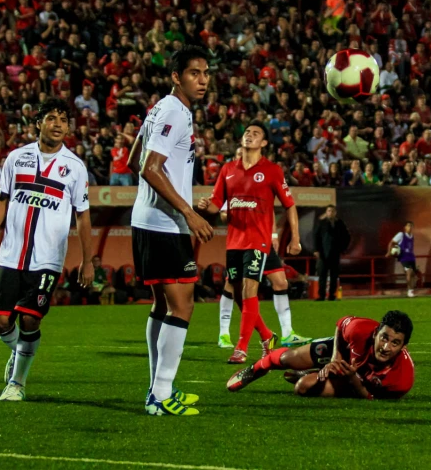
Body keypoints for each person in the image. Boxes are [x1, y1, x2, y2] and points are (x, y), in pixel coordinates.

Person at [0, 98, 94, 402]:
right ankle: (20, 353)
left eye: (64, 120)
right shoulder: (17, 158)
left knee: (30, 318)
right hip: (11, 253)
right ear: (38, 122)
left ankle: (17, 383)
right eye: (52, 118)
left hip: (47, 259)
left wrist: (87, 260)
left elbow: (82, 216)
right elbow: (2, 199)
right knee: (1, 321)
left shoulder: (75, 167)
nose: (58, 125)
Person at [126, 45, 214, 416]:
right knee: (184, 305)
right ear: (176, 77)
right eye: (195, 73)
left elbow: (134, 160)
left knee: (163, 304)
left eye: (207, 73)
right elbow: (149, 167)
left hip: (149, 219)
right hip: (165, 224)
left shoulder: (160, 108)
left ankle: (157, 389)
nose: (203, 80)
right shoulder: (176, 112)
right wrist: (187, 213)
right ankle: (160, 395)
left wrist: (187, 201)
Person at [198, 121, 304, 364]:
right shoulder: (227, 170)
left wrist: (295, 238)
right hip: (234, 242)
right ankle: (267, 337)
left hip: (258, 241)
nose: (249, 135)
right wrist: (204, 207)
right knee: (238, 295)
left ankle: (241, 347)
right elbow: (216, 206)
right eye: (247, 132)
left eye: (256, 134)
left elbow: (290, 205)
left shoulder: (273, 170)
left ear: (264, 143)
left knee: (249, 290)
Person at [227, 310, 414, 400]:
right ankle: (256, 369)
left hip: (356, 384)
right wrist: (336, 359)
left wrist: (352, 379)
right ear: (375, 333)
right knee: (287, 359)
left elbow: (369, 397)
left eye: (395, 343)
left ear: (403, 346)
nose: (386, 347)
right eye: (384, 338)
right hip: (343, 352)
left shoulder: (402, 379)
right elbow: (341, 324)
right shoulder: (360, 330)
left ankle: (314, 373)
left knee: (303, 387)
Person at [216, 196, 311, 350]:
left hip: (263, 241)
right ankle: (224, 333)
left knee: (281, 282)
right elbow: (223, 214)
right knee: (233, 285)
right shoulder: (234, 185)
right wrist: (243, 215)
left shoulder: (260, 185)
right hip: (242, 243)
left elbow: (269, 211)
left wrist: (273, 235)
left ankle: (287, 333)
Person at [313, 205, 350, 301]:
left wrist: (343, 249)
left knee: (334, 276)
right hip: (323, 253)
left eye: (332, 211)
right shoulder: (321, 223)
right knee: (322, 275)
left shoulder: (340, 223)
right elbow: (316, 237)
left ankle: (332, 295)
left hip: (335, 253)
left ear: (335, 212)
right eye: (329, 211)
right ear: (326, 212)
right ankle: (321, 296)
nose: (330, 213)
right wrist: (316, 250)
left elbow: (346, 237)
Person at [387, 221, 418, 298]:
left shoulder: (412, 236)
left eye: (411, 226)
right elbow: (391, 242)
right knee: (409, 272)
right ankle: (410, 291)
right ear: (405, 227)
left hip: (411, 256)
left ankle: (411, 289)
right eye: (408, 226)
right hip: (404, 257)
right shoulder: (401, 235)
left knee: (414, 275)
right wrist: (389, 252)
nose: (409, 228)